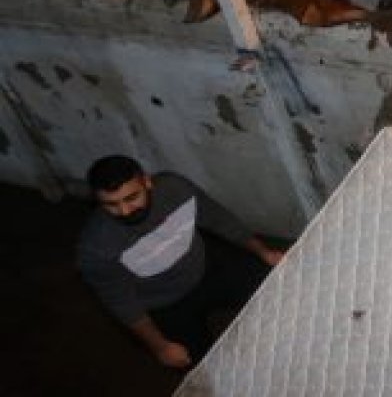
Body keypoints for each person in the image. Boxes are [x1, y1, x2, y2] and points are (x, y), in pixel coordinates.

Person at [77, 155, 285, 369]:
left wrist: (264, 252)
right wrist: (160, 346)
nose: (124, 211)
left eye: (131, 197)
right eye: (110, 204)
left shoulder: (175, 189)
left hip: (205, 269)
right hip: (165, 305)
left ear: (147, 182)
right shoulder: (96, 247)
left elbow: (218, 219)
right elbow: (121, 302)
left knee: (279, 291)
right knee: (202, 368)